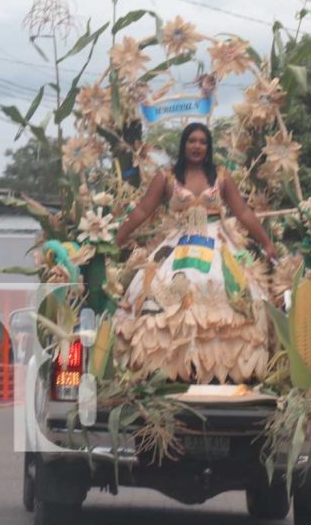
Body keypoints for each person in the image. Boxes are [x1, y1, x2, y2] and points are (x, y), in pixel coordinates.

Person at [113, 122, 278, 384]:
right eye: (192, 141)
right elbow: (143, 211)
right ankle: (167, 369)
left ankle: (226, 369)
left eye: (202, 141)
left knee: (233, 292)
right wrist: (117, 238)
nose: (197, 146)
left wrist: (266, 242)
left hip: (218, 242)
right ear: (184, 145)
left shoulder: (221, 176)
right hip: (177, 243)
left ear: (208, 146)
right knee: (162, 295)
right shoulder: (165, 177)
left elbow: (243, 212)